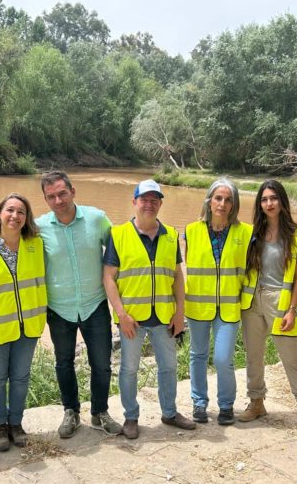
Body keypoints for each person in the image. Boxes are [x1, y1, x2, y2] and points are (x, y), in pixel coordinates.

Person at [103, 179, 196, 439]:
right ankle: (131, 417)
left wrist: (180, 313)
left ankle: (169, 412)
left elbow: (177, 275)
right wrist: (121, 314)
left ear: (160, 204)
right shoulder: (118, 235)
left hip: (164, 316)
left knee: (168, 366)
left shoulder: (170, 236)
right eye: (144, 199)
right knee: (129, 369)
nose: (149, 204)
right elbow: (109, 277)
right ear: (134, 202)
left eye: (154, 199)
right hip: (132, 318)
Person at [36, 171, 122, 438]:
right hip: (59, 308)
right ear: (45, 200)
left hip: (94, 304)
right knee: (63, 362)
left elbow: (120, 251)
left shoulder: (97, 219)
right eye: (51, 196)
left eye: (62, 193)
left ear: (73, 191)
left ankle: (99, 413)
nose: (58, 200)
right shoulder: (38, 227)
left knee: (102, 363)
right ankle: (71, 412)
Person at [238, 180, 297, 434]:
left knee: (291, 356)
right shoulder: (254, 234)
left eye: (273, 198)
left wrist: (292, 310)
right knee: (254, 355)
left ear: (283, 202)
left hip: (279, 301)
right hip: (252, 300)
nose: (269, 203)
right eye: (264, 199)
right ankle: (257, 402)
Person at [0, 193, 47, 452]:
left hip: (29, 324)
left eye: (21, 212)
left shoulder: (35, 244)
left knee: (21, 378)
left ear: (27, 219)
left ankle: (16, 424)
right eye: (10, 210)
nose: (15, 216)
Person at [184, 179, 252, 425]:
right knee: (198, 355)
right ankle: (199, 403)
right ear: (209, 201)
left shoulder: (246, 232)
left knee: (223, 358)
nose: (222, 204)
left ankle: (226, 405)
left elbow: (251, 270)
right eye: (218, 198)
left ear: (234, 204)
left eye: (228, 199)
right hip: (198, 306)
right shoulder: (190, 231)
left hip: (230, 306)